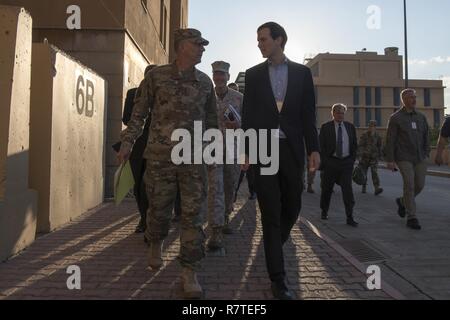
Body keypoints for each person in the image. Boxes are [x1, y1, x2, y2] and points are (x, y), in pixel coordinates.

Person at [118, 28, 218, 299]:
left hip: (193, 159)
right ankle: (155, 240)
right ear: (182, 46)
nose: (202, 49)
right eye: (198, 44)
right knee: (159, 210)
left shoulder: (205, 82)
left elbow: (212, 124)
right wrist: (128, 143)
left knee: (193, 216)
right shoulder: (156, 77)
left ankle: (189, 272)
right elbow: (138, 114)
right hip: (160, 157)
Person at [241, 22, 320, 300]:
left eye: (263, 39)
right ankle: (278, 279)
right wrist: (246, 150)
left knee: (293, 204)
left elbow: (308, 115)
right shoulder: (252, 75)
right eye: (258, 39)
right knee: (270, 213)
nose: (259, 44)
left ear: (279, 40)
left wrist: (314, 148)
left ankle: (273, 242)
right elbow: (248, 116)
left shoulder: (302, 73)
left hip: (291, 150)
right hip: (263, 150)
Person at [385, 89, 430, 231]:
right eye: (411, 97)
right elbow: (390, 140)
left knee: (420, 185)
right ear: (403, 100)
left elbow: (426, 136)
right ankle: (412, 217)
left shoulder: (421, 117)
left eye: (415, 97)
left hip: (420, 157)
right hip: (404, 157)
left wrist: (427, 152)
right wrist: (390, 160)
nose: (414, 99)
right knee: (409, 184)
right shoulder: (396, 118)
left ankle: (403, 201)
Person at [122, 65, 156, 234]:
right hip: (138, 145)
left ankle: (152, 220)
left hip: (158, 146)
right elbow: (126, 117)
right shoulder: (133, 93)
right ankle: (144, 218)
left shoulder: (163, 95)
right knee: (138, 184)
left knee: (154, 185)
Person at [211, 61, 243, 236]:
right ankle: (217, 223)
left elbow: (248, 123)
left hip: (233, 148)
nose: (219, 78)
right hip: (212, 148)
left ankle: (225, 215)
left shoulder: (239, 98)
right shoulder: (207, 96)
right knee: (215, 186)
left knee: (230, 184)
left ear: (228, 77)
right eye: (216, 74)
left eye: (222, 74)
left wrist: (238, 124)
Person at [319, 103, 359, 227]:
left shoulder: (350, 127)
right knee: (327, 189)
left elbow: (354, 145)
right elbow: (321, 146)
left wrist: (352, 160)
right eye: (338, 112)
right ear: (333, 113)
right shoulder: (326, 127)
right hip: (332, 162)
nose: (340, 115)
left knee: (347, 190)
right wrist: (325, 162)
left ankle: (350, 216)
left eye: (342, 112)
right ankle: (324, 211)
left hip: (346, 163)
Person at [358, 120, 384, 195]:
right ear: (368, 126)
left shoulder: (378, 136)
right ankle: (364, 186)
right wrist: (360, 154)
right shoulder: (364, 135)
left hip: (374, 157)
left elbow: (379, 146)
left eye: (373, 126)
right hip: (365, 157)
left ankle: (376, 188)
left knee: (374, 172)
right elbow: (360, 145)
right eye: (370, 126)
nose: (372, 127)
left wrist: (380, 155)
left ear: (375, 127)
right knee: (364, 173)